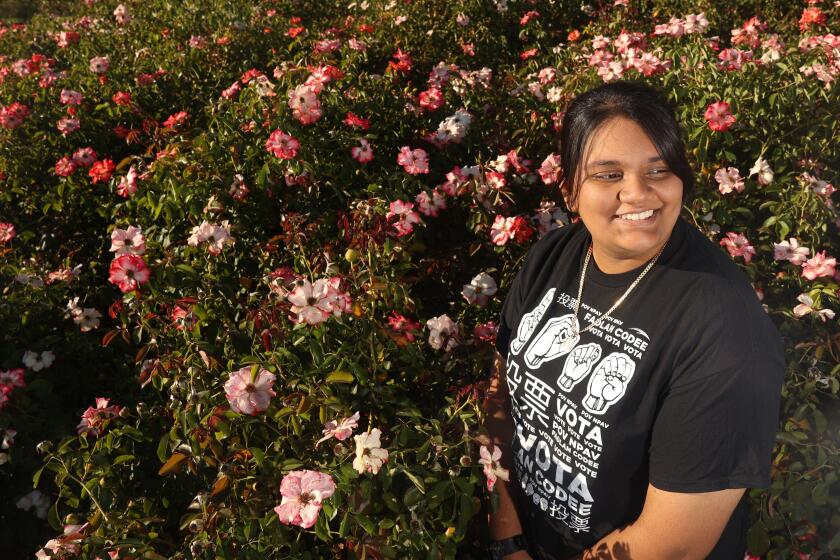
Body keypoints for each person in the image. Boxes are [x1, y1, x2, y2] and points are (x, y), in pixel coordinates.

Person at [483, 81, 784, 560]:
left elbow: (673, 544)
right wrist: (507, 538)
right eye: (607, 174)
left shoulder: (725, 335)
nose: (637, 193)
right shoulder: (552, 258)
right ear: (569, 190)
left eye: (658, 170)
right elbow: (501, 395)